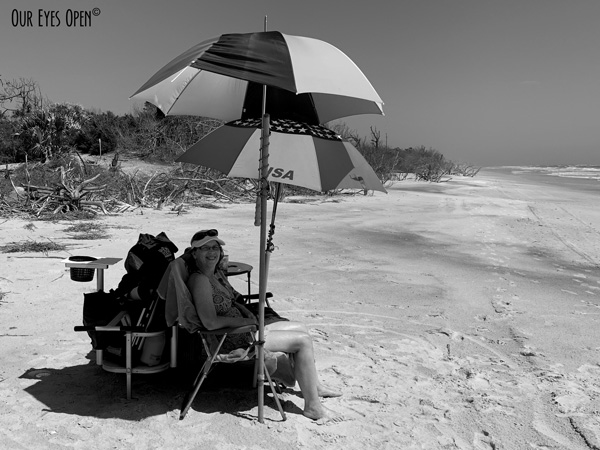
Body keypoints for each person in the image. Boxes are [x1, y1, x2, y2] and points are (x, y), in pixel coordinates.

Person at [186, 229, 342, 422]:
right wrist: (245, 322)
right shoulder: (199, 280)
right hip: (232, 338)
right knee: (301, 342)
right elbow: (209, 321)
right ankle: (313, 407)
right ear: (194, 253)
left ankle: (314, 386)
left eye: (215, 247)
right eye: (205, 248)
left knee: (301, 328)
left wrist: (248, 318)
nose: (212, 252)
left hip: (245, 330)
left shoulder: (213, 275)